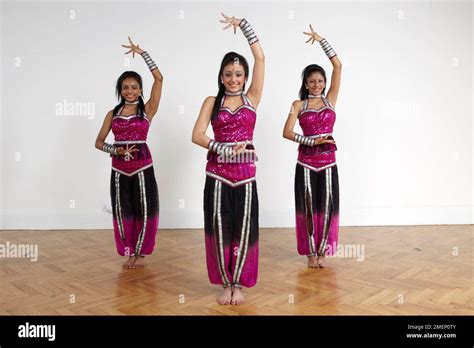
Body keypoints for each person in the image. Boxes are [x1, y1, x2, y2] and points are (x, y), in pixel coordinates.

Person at [192, 13, 265, 305]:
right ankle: (226, 281)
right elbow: (197, 135)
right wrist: (223, 148)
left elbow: (261, 59)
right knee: (220, 226)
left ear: (245, 77)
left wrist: (245, 25)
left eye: (238, 74)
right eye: (228, 74)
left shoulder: (253, 98)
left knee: (244, 227)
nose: (233, 79)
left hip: (246, 176)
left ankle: (240, 283)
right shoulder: (213, 102)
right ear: (221, 77)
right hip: (218, 176)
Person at [95, 37, 163, 269]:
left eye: (134, 87)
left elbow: (159, 78)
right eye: (125, 87)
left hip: (143, 166)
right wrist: (116, 150)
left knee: (144, 209)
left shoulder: (148, 110)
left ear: (140, 89)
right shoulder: (112, 114)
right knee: (124, 210)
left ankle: (141, 253)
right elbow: (98, 142)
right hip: (119, 169)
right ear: (120, 90)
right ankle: (128, 250)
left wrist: (143, 53)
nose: (130, 91)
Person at [283, 25, 342, 268]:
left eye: (320, 81)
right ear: (306, 84)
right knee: (307, 207)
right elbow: (286, 132)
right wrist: (311, 141)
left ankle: (322, 251)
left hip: (328, 162)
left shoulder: (331, 100)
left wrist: (321, 40)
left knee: (327, 207)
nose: (316, 84)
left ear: (324, 83)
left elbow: (338, 66)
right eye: (312, 81)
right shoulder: (298, 104)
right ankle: (309, 253)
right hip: (306, 163)